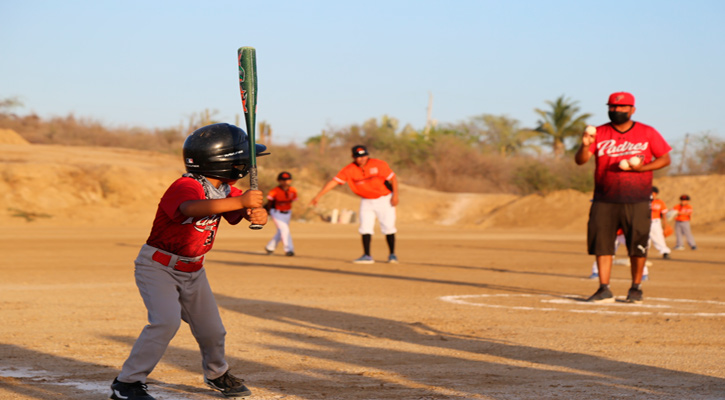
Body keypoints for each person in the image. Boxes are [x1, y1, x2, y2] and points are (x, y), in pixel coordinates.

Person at [110, 123, 267, 400]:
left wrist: (253, 213)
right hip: (158, 267)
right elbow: (190, 208)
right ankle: (127, 383)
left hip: (194, 270)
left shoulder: (226, 189)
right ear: (226, 163)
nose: (244, 165)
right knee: (165, 322)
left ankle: (217, 374)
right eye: (242, 160)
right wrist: (241, 201)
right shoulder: (185, 186)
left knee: (213, 331)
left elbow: (237, 211)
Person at [575, 92, 671, 304]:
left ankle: (636, 288)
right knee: (602, 245)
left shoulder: (647, 132)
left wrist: (642, 169)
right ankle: (604, 288)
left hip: (637, 198)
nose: (616, 111)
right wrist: (584, 144)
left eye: (622, 107)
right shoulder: (598, 132)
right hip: (604, 198)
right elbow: (581, 161)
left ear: (632, 109)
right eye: (612, 107)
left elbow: (665, 158)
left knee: (637, 245)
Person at [310, 145, 399, 264]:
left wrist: (395, 195)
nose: (362, 158)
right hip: (366, 201)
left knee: (388, 227)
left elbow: (393, 179)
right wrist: (319, 195)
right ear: (353, 157)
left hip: (384, 199)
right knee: (365, 227)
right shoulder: (349, 169)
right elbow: (334, 182)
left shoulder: (379, 164)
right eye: (359, 156)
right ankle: (367, 255)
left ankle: (392, 255)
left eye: (364, 155)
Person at [265, 171, 298, 256]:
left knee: (281, 231)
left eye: (287, 180)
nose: (285, 182)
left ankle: (270, 247)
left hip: (287, 213)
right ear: (279, 181)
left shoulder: (293, 190)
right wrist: (268, 212)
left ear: (290, 180)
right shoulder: (274, 191)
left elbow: (293, 201)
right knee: (285, 230)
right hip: (276, 212)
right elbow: (269, 202)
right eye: (283, 180)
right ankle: (289, 249)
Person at [649, 186, 672, 259]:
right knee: (644, 239)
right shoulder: (644, 202)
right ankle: (642, 253)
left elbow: (664, 214)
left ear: (656, 194)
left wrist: (665, 224)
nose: (651, 194)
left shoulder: (660, 202)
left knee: (658, 237)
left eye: (653, 193)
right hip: (645, 222)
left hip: (655, 222)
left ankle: (665, 252)